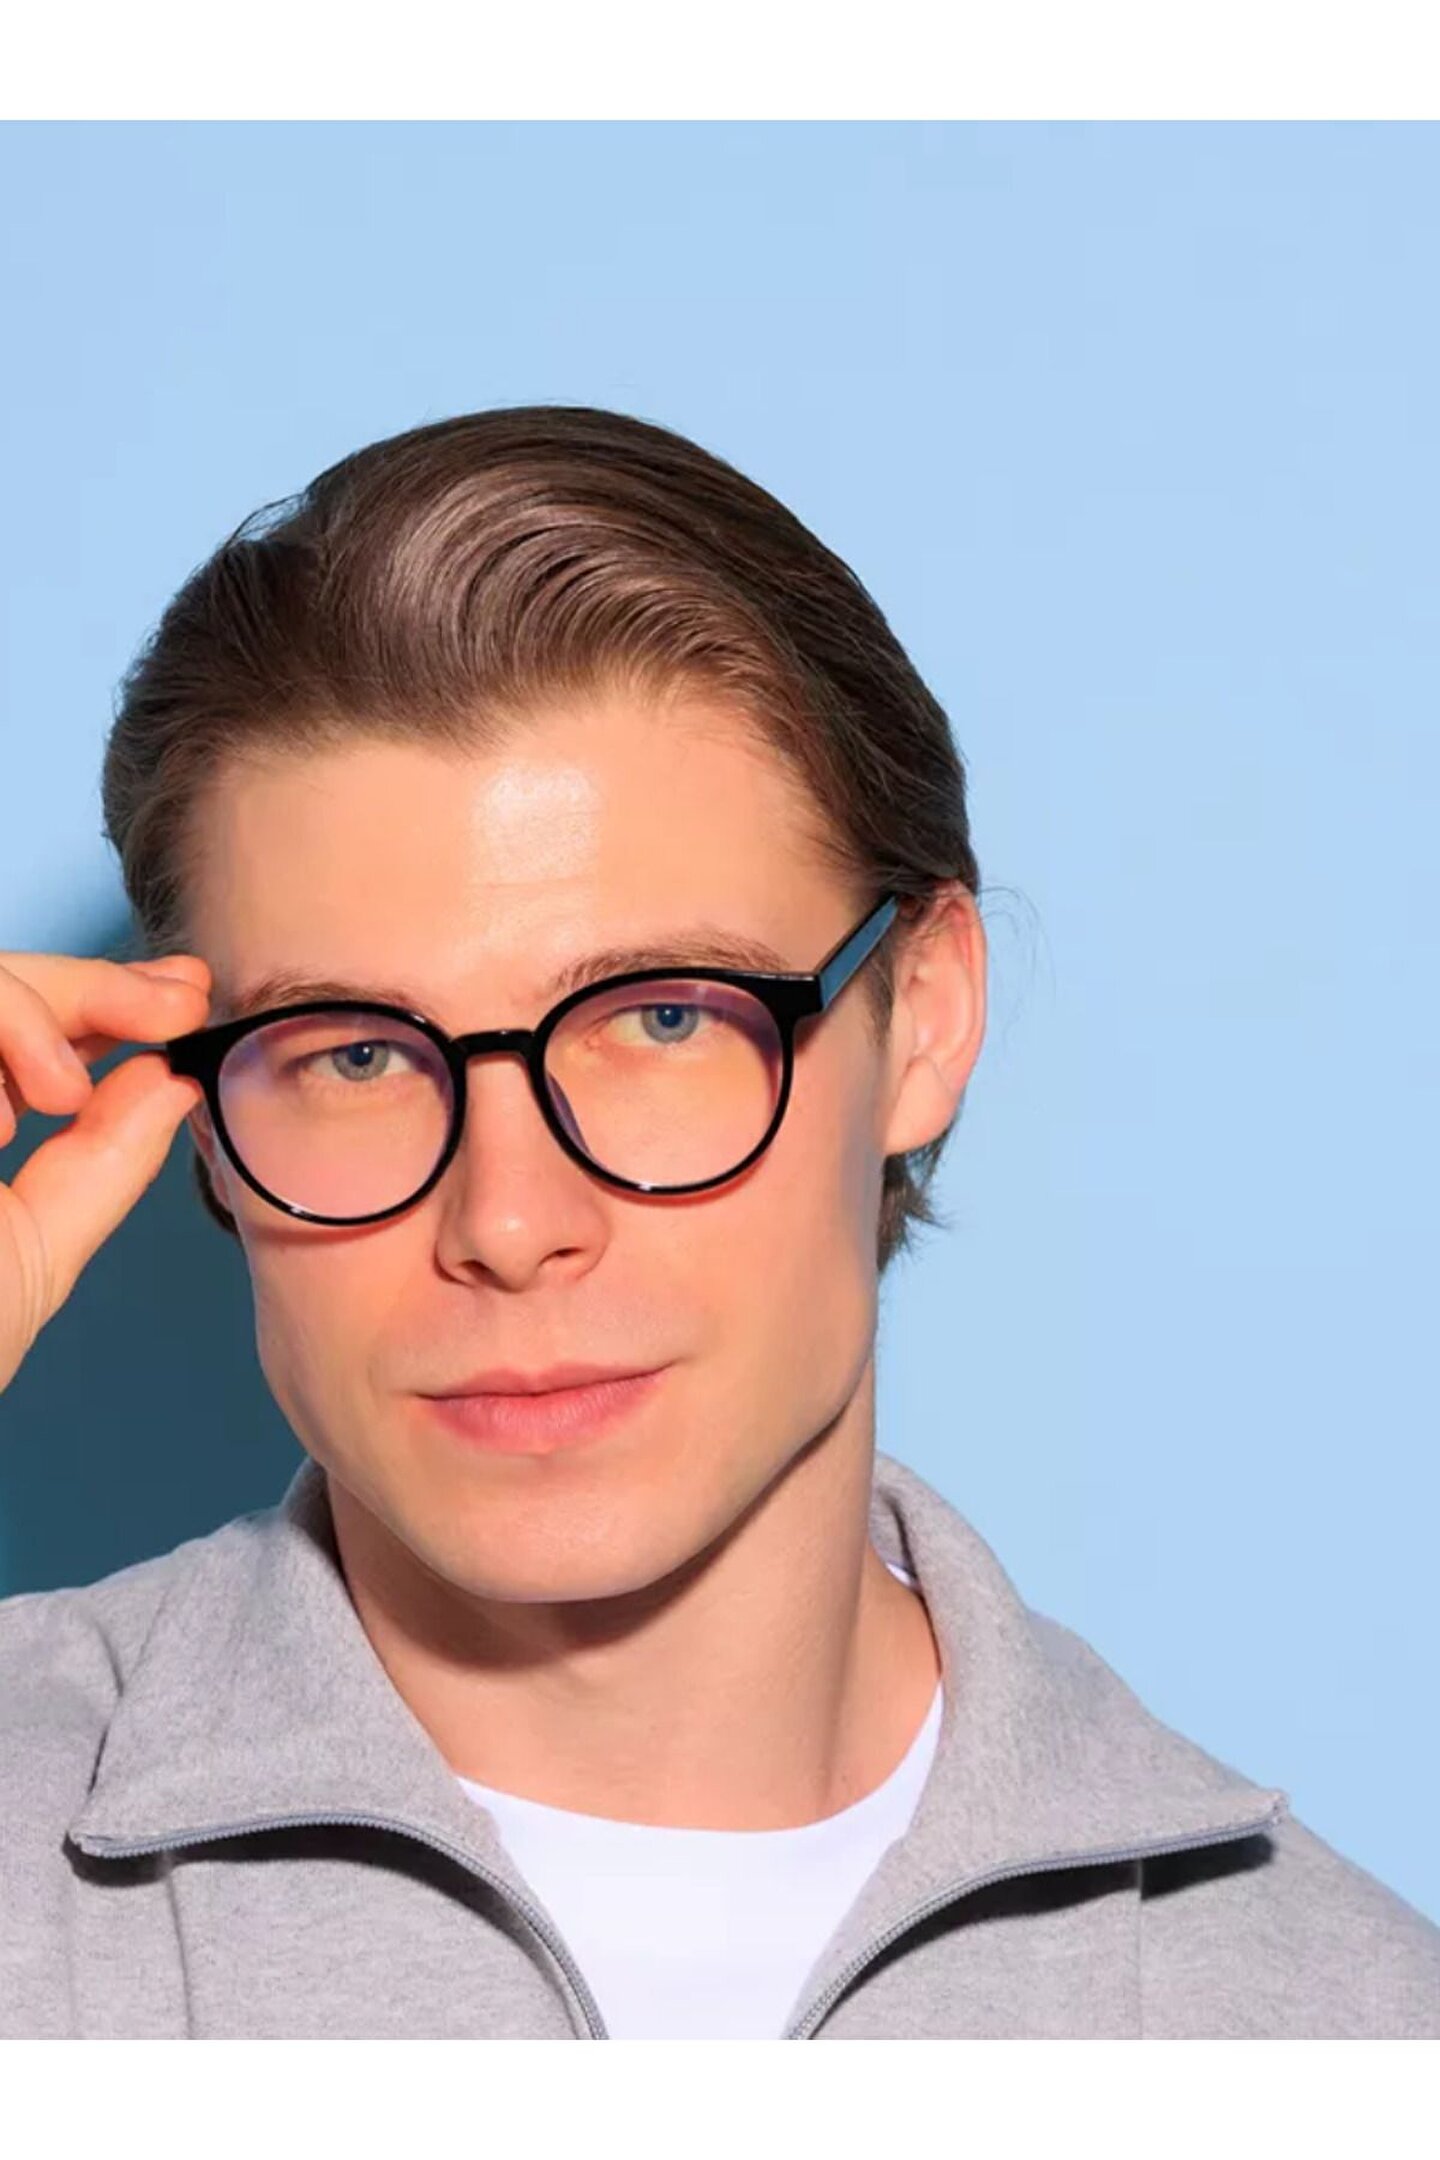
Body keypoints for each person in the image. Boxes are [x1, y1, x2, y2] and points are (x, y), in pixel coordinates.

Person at [0, 407, 1435, 2041]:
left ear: (925, 1018)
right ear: (195, 1107)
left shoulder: (1351, 2030)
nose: (509, 1221)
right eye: (356, 1055)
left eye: (662, 1019)